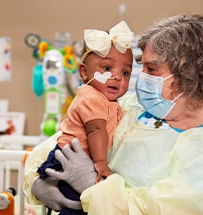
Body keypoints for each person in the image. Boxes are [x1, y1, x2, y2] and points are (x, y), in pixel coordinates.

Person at [23, 14, 203, 215]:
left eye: (151, 69)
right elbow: (58, 143)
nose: (139, 77)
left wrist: (92, 188)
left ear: (187, 75)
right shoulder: (132, 108)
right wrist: (36, 182)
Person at [36, 20, 134, 214]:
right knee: (75, 208)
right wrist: (100, 163)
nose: (117, 77)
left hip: (81, 160)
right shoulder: (91, 96)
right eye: (107, 69)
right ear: (84, 72)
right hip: (68, 160)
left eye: (126, 72)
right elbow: (96, 129)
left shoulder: (111, 102)